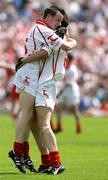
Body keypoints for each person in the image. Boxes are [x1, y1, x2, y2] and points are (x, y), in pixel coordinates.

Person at [8, 6, 77, 175]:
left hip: (43, 81)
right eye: (57, 21)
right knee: (32, 119)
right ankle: (21, 151)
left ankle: (34, 156)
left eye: (61, 23)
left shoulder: (52, 36)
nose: (58, 25)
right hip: (35, 78)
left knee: (36, 122)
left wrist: (25, 58)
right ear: (47, 17)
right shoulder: (42, 29)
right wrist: (24, 59)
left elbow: (48, 50)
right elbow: (59, 48)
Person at [51, 52, 82, 133]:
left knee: (74, 109)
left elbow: (68, 83)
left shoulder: (72, 69)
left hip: (71, 90)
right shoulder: (64, 67)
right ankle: (59, 126)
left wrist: (60, 92)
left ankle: (78, 126)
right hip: (65, 90)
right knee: (59, 107)